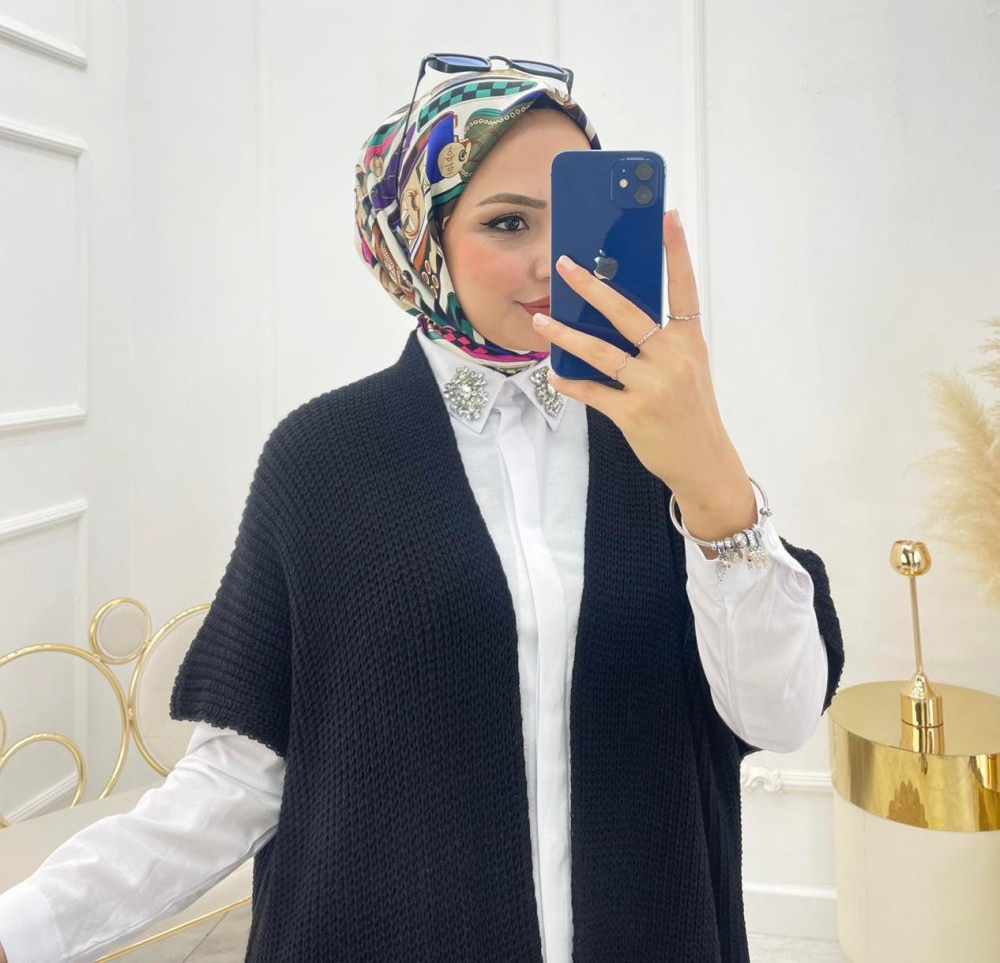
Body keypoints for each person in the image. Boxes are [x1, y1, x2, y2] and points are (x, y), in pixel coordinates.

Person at [0, 57, 844, 963]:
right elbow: (239, 779)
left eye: (576, 220)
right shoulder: (323, 458)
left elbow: (778, 716)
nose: (554, 262)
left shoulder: (660, 443)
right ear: (418, 238)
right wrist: (27, 928)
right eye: (508, 222)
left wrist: (714, 485)